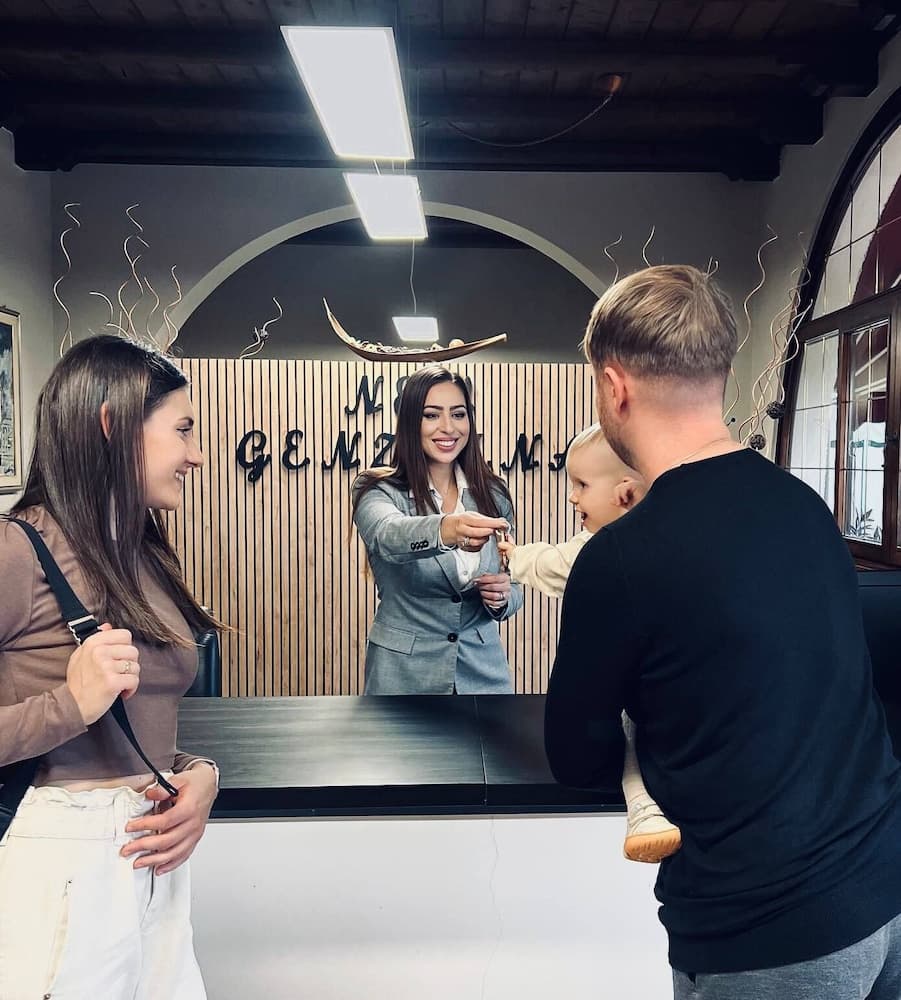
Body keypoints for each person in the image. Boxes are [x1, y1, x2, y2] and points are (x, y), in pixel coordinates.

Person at [544, 265, 901, 998]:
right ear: (717, 373)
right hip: (885, 887)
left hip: (769, 933)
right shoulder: (805, 507)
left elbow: (576, 757)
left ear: (613, 386)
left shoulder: (620, 558)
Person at [0, 334, 221, 999]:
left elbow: (141, 715)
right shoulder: (17, 551)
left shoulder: (142, 552)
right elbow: (83, 709)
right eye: (182, 430)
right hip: (58, 868)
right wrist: (69, 706)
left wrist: (196, 775)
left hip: (150, 866)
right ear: (112, 424)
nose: (196, 454)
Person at [498, 423, 682, 863]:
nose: (572, 497)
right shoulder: (661, 536)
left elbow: (556, 564)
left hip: (650, 686)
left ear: (625, 493)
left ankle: (643, 807)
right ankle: (644, 807)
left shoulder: (604, 551)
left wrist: (517, 557)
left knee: (630, 732)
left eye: (581, 485)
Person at [352, 365, 522, 694]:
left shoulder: (494, 493)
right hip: (403, 678)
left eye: (458, 414)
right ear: (410, 423)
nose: (448, 427)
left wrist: (504, 597)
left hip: (484, 677)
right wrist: (448, 528)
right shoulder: (376, 489)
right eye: (431, 415)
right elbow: (388, 537)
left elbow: (514, 580)